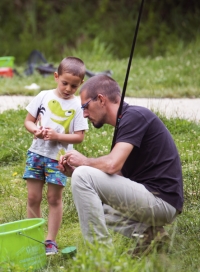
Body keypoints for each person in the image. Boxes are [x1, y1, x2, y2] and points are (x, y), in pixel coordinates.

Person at [58, 74, 183, 255]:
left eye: (85, 106)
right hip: (152, 199)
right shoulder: (125, 123)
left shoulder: (134, 116)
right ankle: (152, 237)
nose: (84, 114)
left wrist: (84, 164)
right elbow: (118, 177)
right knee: (92, 196)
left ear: (101, 99)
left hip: (161, 201)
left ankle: (100, 260)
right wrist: (74, 171)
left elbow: (112, 165)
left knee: (83, 176)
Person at [23, 56, 88, 255]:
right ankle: (32, 237)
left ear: (81, 84)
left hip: (59, 159)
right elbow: (29, 121)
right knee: (33, 197)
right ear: (56, 76)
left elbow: (79, 137)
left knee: (54, 199)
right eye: (64, 83)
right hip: (36, 154)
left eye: (74, 86)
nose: (68, 89)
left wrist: (58, 136)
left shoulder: (77, 106)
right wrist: (36, 131)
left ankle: (50, 240)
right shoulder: (43, 96)